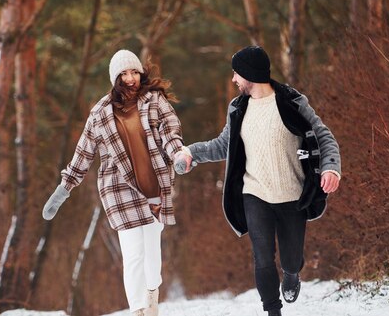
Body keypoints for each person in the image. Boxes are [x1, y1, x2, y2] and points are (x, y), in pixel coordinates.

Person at [174, 46, 341, 316]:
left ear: (250, 74)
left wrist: (331, 169)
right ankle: (273, 311)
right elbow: (223, 144)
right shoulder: (238, 108)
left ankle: (291, 273)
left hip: (292, 195)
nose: (233, 80)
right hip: (255, 194)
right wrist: (192, 152)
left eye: (236, 74)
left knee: (291, 258)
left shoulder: (292, 102)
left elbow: (323, 136)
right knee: (262, 257)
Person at [42, 49, 186, 316]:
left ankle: (152, 294)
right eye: (124, 73)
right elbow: (83, 153)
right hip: (119, 190)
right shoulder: (100, 113)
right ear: (115, 78)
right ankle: (139, 310)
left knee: (152, 258)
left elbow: (170, 130)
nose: (130, 78)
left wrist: (178, 153)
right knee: (133, 256)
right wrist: (65, 187)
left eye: (134, 72)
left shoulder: (154, 101)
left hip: (154, 186)